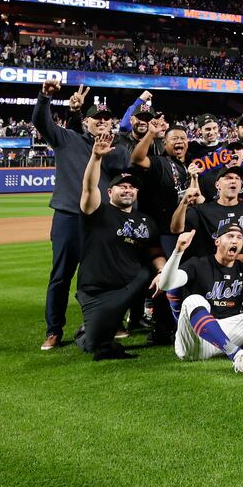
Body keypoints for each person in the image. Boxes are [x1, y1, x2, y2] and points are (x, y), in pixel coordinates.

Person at [33, 80, 129, 351]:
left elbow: (122, 167)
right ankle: (54, 331)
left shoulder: (118, 147)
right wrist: (44, 97)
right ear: (85, 123)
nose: (101, 122)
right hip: (68, 216)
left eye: (106, 119)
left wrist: (108, 146)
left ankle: (111, 322)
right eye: (95, 119)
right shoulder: (67, 139)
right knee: (61, 275)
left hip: (100, 218)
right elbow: (42, 122)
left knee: (104, 274)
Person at [152, 225, 243, 375]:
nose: (235, 241)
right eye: (230, 236)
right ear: (217, 241)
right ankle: (239, 357)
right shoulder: (198, 264)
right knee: (193, 300)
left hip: (227, 335)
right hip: (195, 341)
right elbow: (166, 284)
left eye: (239, 237)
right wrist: (178, 251)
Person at [73, 135, 163, 360]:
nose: (127, 190)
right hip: (98, 289)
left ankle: (162, 330)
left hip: (131, 284)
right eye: (121, 187)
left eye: (132, 187)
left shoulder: (146, 221)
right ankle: (87, 332)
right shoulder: (97, 212)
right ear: (109, 192)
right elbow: (88, 188)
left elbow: (155, 252)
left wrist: (163, 272)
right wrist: (95, 157)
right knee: (96, 346)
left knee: (167, 277)